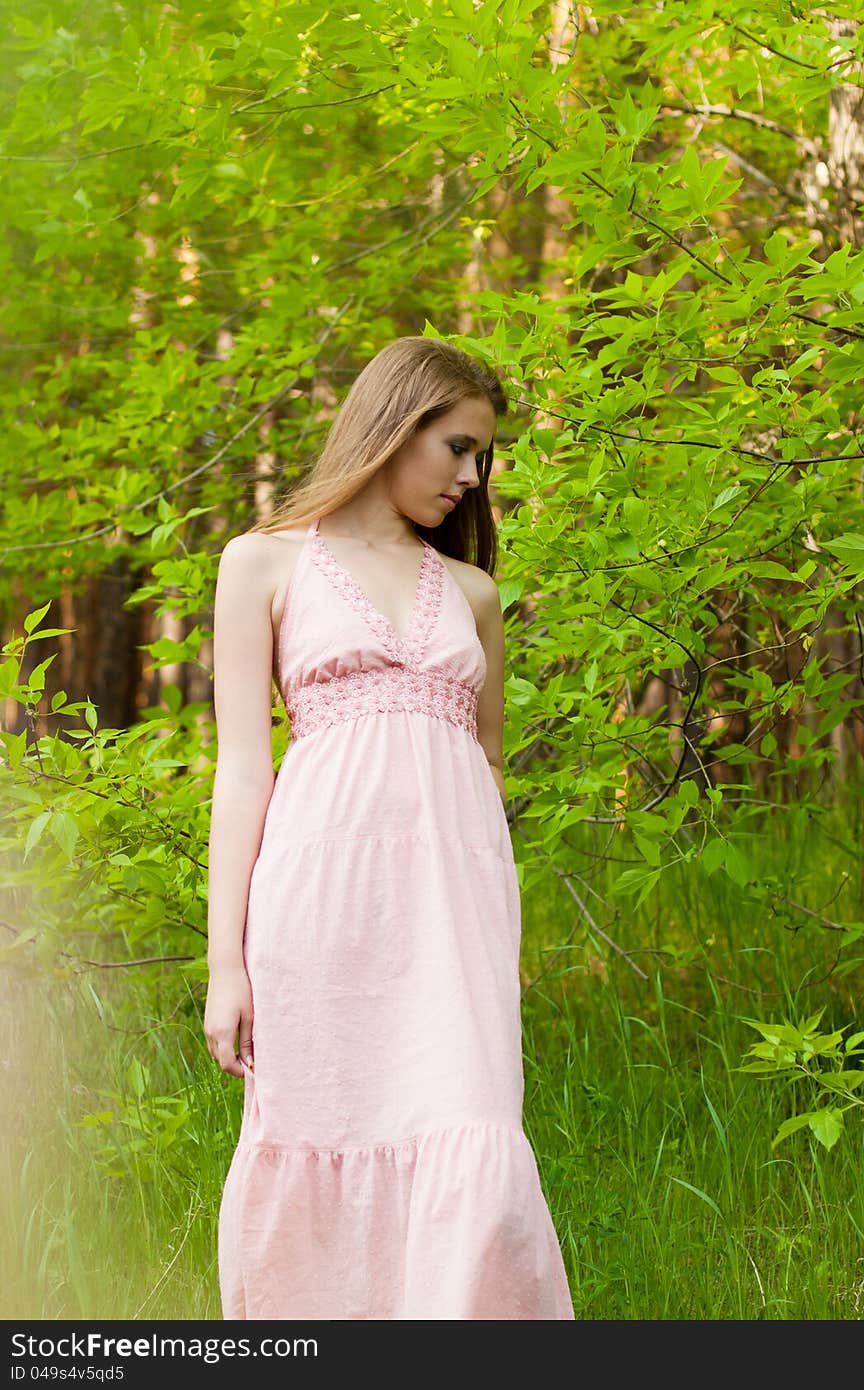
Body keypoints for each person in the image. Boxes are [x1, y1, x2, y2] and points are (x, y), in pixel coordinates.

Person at [204, 335, 575, 1320]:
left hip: (451, 917)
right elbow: (243, 771)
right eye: (456, 446)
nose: (471, 476)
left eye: (482, 457)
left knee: (476, 1145)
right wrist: (225, 965)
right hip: (319, 910)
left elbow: (484, 768)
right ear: (393, 423)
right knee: (321, 1131)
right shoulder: (262, 564)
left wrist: (487, 914)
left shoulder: (473, 594)